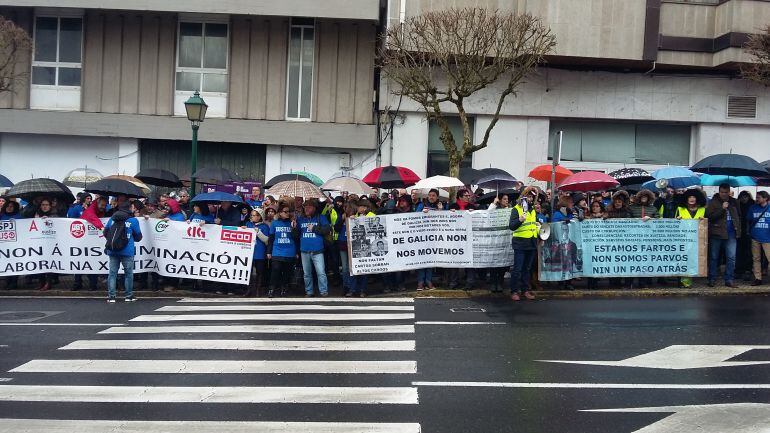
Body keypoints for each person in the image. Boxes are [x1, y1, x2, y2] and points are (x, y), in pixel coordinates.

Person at [103, 202, 142, 303]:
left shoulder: (112, 219)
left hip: (112, 250)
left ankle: (111, 297)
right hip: (127, 251)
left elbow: (105, 232)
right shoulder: (132, 220)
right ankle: (128, 296)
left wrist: (114, 242)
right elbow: (138, 236)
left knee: (112, 273)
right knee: (128, 274)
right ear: (129, 209)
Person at [705, 183, 741, 288]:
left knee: (731, 258)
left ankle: (729, 279)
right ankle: (712, 278)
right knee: (714, 257)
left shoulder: (734, 202)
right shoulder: (713, 202)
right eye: (722, 192)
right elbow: (709, 217)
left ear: (729, 192)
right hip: (717, 233)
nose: (724, 194)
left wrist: (738, 229)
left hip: (731, 233)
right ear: (719, 191)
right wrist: (722, 209)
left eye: (726, 192)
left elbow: (739, 216)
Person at [509, 187, 539, 301]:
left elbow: (532, 225)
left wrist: (538, 228)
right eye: (528, 196)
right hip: (520, 243)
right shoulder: (516, 209)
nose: (530, 199)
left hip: (531, 242)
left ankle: (525, 290)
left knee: (527, 268)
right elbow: (511, 226)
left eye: (532, 197)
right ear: (523, 197)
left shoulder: (532, 210)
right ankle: (514, 291)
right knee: (518, 269)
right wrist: (520, 220)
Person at [297, 199, 331, 297]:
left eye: (309, 206)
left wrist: (314, 228)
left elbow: (327, 230)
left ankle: (323, 291)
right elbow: (296, 235)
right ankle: (309, 291)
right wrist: (294, 228)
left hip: (318, 250)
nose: (306, 208)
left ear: (314, 208)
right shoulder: (300, 219)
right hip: (304, 250)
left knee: (321, 272)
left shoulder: (321, 218)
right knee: (307, 273)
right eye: (305, 206)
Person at [675, 189, 707, 288]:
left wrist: (704, 220)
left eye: (694, 197)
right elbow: (674, 223)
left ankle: (689, 279)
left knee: (692, 259)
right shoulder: (680, 209)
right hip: (683, 238)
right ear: (686, 199)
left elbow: (707, 224)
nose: (692, 199)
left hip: (697, 238)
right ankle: (683, 281)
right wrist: (677, 220)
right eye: (690, 197)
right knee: (683, 259)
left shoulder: (702, 210)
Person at [267, 201, 298, 298]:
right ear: (280, 213)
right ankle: (271, 289)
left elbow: (296, 238)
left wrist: (294, 228)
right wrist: (269, 251)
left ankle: (284, 288)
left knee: (287, 271)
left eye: (288, 212)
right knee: (275, 270)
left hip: (290, 251)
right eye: (285, 212)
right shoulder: (274, 223)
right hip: (277, 250)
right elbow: (271, 238)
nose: (287, 213)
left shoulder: (292, 223)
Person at [244, 208, 270, 297]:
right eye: (252, 215)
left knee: (260, 273)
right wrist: (243, 230)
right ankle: (249, 290)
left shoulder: (264, 226)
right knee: (248, 273)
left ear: (260, 216)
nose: (252, 217)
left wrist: (258, 232)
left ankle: (258, 291)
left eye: (255, 215)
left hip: (260, 253)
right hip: (249, 253)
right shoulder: (248, 224)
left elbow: (266, 240)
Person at [747, 190, 770, 286]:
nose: (756, 199)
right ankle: (758, 278)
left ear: (765, 198)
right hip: (755, 237)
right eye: (756, 197)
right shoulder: (752, 208)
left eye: (759, 197)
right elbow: (748, 219)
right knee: (756, 258)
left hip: (768, 238)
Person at [736, 190, 755, 281]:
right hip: (740, 231)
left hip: (748, 231)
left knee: (748, 252)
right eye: (742, 197)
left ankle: (747, 270)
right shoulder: (738, 206)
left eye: (745, 197)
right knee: (739, 252)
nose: (744, 199)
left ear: (748, 197)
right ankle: (739, 270)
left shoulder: (752, 205)